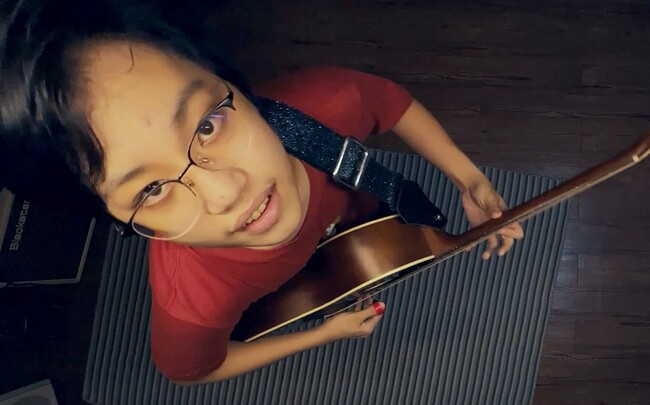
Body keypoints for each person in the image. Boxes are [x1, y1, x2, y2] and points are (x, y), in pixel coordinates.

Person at [0, 0, 524, 385]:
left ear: (228, 79)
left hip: (355, 214)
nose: (228, 192)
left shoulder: (321, 104)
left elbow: (390, 103)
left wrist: (469, 178)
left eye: (206, 125)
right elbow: (195, 371)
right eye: (152, 190)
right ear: (121, 223)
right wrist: (323, 334)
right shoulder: (191, 303)